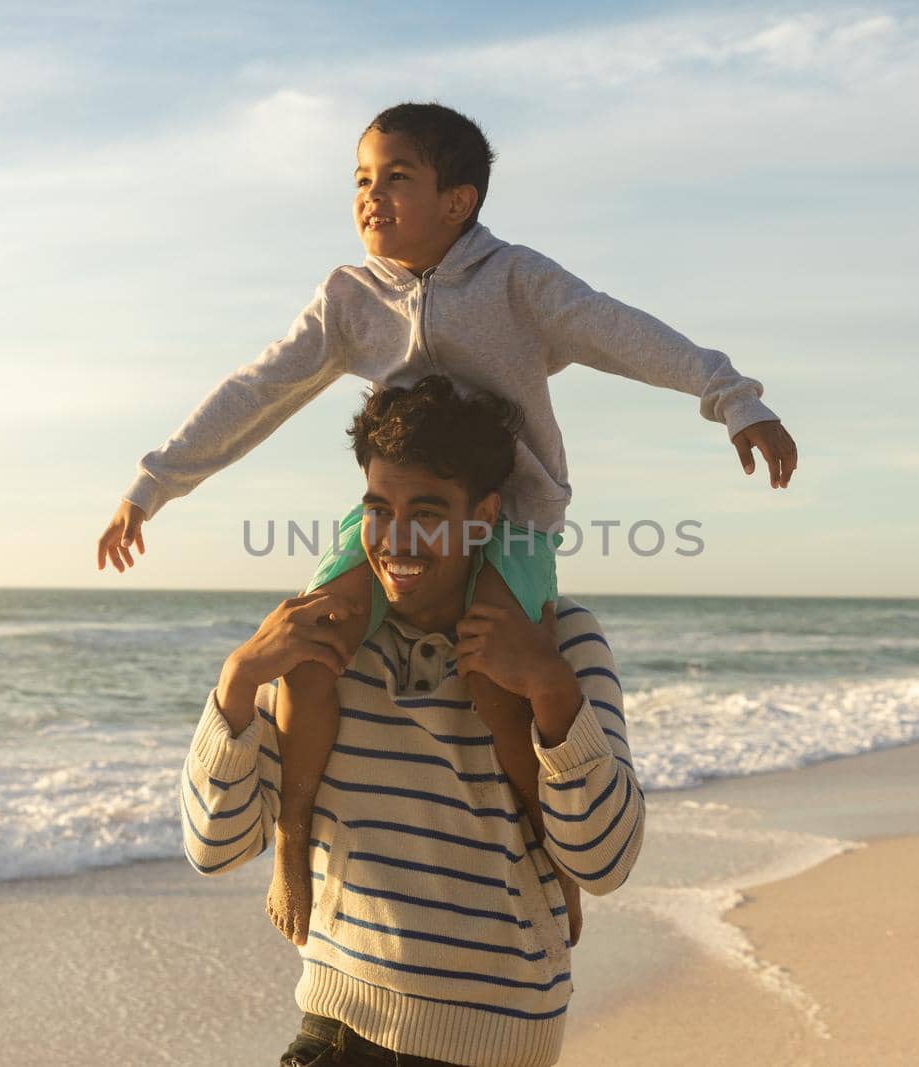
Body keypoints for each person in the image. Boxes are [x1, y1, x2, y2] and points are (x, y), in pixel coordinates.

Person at [109, 101, 796, 948]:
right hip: (400, 512)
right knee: (313, 647)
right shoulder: (348, 297)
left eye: (398, 177)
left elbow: (621, 332)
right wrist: (155, 483)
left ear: (458, 200)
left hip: (512, 515)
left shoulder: (517, 282)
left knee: (496, 677)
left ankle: (549, 854)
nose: (372, 196)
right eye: (362, 179)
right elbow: (257, 390)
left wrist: (733, 399)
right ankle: (292, 837)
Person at [180, 377, 644, 1067]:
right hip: (334, 1029)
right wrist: (238, 679)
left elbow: (606, 861)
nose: (397, 539)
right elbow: (213, 848)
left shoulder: (562, 638)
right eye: (379, 509)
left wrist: (548, 686)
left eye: (426, 512)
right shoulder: (326, 644)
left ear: (483, 517)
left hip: (497, 1045)